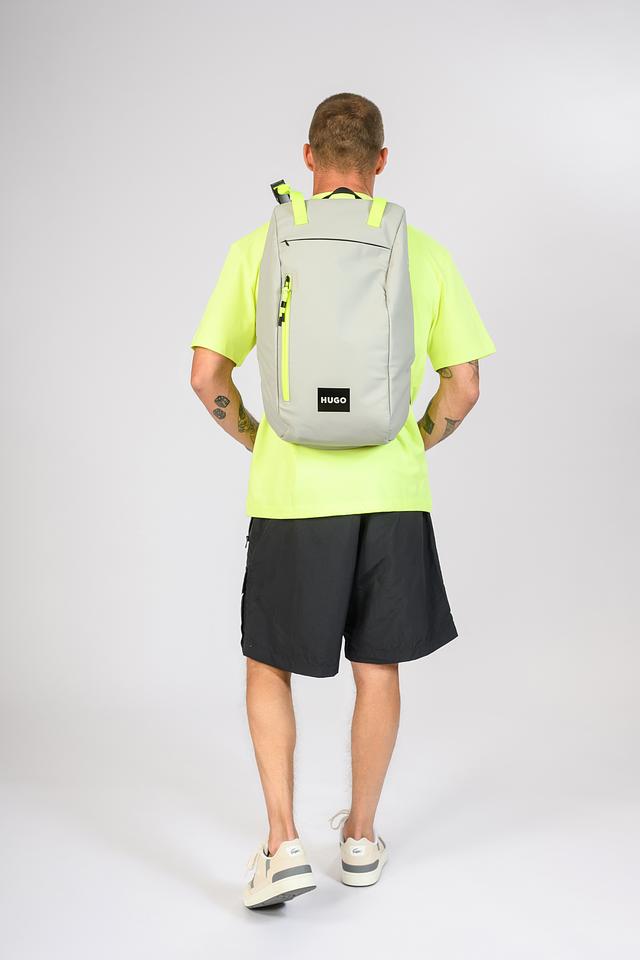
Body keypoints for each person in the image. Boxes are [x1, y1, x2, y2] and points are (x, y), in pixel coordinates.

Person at [189, 92, 496, 909]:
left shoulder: (261, 246)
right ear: (381, 162)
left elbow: (206, 376)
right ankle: (359, 839)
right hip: (389, 492)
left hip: (292, 493)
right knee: (376, 664)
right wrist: (416, 438)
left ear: (309, 158)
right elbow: (464, 385)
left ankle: (282, 842)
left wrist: (258, 437)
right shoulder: (420, 251)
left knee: (269, 661)